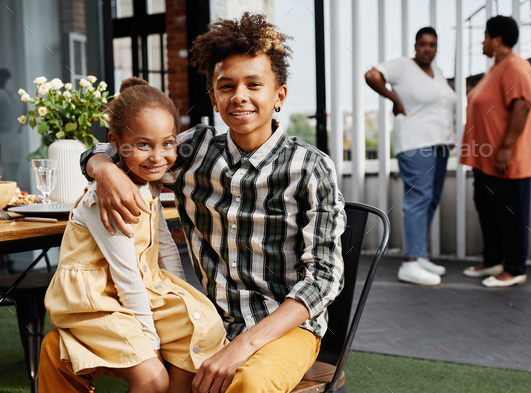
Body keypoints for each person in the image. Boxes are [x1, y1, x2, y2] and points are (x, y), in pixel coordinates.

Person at [41, 12, 346, 393]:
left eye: (255, 84)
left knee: (248, 383)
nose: (240, 96)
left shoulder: (311, 168)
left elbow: (324, 279)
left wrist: (242, 347)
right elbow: (131, 148)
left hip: (282, 328)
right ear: (214, 98)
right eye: (226, 86)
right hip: (206, 319)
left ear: (279, 94)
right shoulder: (196, 149)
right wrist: (103, 168)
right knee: (58, 348)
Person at [40, 78, 227, 393]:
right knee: (154, 378)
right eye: (143, 145)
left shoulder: (149, 183)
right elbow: (125, 275)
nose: (157, 157)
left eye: (167, 143)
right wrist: (151, 345)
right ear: (116, 142)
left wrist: (177, 293)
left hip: (139, 283)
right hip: (97, 297)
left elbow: (164, 245)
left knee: (204, 324)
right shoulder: (108, 196)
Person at [365, 27, 456, 286]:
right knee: (419, 198)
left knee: (431, 199)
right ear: (415, 46)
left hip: (440, 144)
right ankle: (411, 263)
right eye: (423, 44)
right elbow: (372, 75)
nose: (428, 49)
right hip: (416, 142)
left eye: (433, 45)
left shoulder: (437, 73)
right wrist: (394, 98)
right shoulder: (403, 66)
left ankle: (420, 255)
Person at [460, 16, 531, 287]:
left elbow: (522, 107)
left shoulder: (516, 67)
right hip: (485, 161)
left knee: (511, 215)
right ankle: (494, 260)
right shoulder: (496, 68)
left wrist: (505, 149)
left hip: (505, 160)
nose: (482, 41)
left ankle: (515, 268)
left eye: (485, 36)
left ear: (496, 40)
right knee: (488, 211)